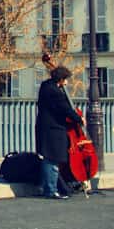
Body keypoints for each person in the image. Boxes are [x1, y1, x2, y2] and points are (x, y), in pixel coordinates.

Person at [35, 65, 82, 199]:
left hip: (45, 128)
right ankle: (51, 190)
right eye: (65, 79)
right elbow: (65, 109)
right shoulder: (54, 91)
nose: (66, 82)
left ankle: (45, 187)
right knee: (53, 160)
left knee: (47, 159)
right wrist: (79, 119)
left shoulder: (45, 86)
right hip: (53, 129)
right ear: (60, 79)